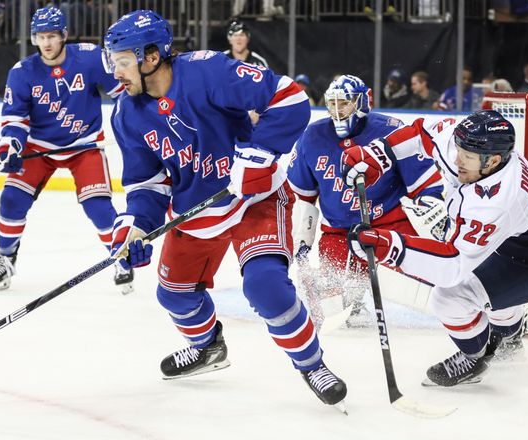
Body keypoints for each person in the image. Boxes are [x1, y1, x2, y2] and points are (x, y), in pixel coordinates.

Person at [104, 10, 347, 410]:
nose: (117, 73)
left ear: (151, 57)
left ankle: (311, 364)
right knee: (174, 296)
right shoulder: (126, 114)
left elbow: (289, 97)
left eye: (124, 62)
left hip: (254, 201)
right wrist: (135, 225)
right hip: (197, 211)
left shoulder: (207, 72)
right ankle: (207, 347)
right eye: (114, 63)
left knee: (265, 287)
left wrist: (257, 154)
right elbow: (147, 184)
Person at [342, 110, 528, 386]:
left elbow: (451, 266)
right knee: (489, 290)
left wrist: (391, 247)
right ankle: (511, 333)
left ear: (493, 161)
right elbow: (421, 133)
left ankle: (474, 357)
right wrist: (379, 154)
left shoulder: (497, 202)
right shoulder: (470, 146)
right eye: (458, 150)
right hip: (526, 235)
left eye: (466, 157)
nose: (456, 160)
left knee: (450, 298)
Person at [0, 6, 128, 292]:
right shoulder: (22, 72)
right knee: (12, 199)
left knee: (97, 205)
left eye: (52, 35)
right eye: (40, 36)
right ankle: (5, 258)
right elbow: (14, 119)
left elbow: (124, 94)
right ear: (34, 38)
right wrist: (10, 146)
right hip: (39, 147)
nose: (47, 42)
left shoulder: (89, 58)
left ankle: (120, 257)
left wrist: (134, 127)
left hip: (84, 145)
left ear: (64, 35)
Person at [287, 75, 444, 328]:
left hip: (390, 221)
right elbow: (303, 199)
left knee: (436, 273)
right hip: (339, 229)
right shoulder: (312, 137)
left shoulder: (391, 130)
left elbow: (424, 181)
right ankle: (354, 307)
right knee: (330, 294)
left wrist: (430, 209)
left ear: (361, 103)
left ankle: (490, 307)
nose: (337, 111)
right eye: (332, 104)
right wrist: (302, 242)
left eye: (345, 103)